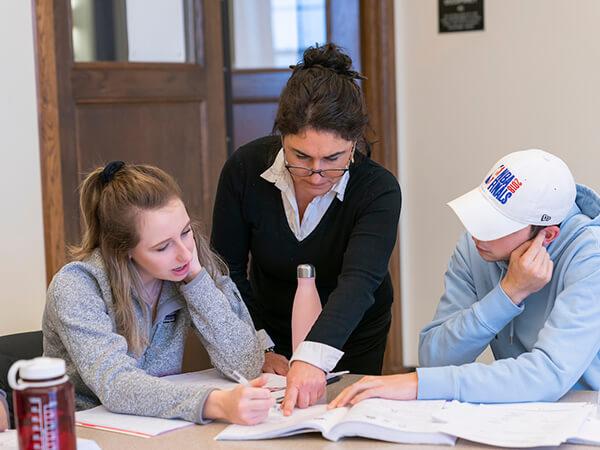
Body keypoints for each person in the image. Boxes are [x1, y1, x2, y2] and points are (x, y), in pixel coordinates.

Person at [211, 43, 401, 415]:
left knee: (342, 421)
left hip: (350, 331)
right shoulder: (244, 170)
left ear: (354, 143)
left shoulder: (378, 190)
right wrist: (260, 347)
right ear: (281, 136)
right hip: (267, 327)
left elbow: (359, 281)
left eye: (333, 159)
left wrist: (313, 357)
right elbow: (227, 268)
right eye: (300, 156)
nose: (316, 174)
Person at [330, 149, 600, 407]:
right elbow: (435, 359)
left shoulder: (591, 256)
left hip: (585, 417)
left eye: (497, 226)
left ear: (548, 235)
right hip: (520, 413)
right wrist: (507, 294)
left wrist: (419, 384)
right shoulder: (477, 248)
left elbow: (548, 376)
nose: (477, 233)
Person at [43, 162, 275, 425]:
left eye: (185, 232)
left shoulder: (187, 267)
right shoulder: (77, 285)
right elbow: (115, 385)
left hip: (157, 425)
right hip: (82, 430)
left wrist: (196, 280)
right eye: (163, 247)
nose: (184, 254)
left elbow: (246, 364)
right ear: (123, 250)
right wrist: (214, 403)